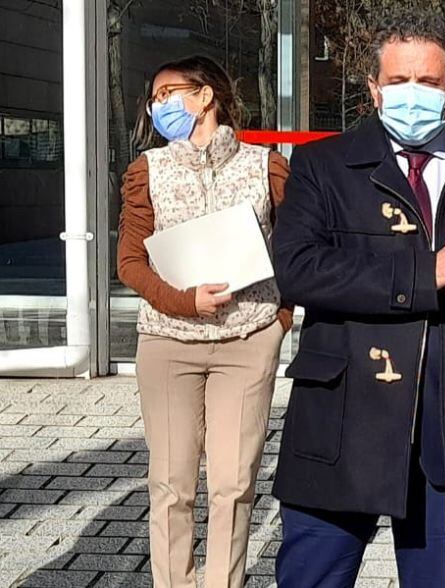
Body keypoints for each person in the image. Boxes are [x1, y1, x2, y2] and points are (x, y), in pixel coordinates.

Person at [270, 13, 445, 588]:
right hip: (343, 424)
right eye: (398, 81)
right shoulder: (322, 167)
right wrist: (422, 273)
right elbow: (297, 270)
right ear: (374, 88)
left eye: (428, 82)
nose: (412, 95)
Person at [118, 55, 291, 588]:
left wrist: (278, 322)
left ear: (206, 96)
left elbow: (296, 252)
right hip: (169, 344)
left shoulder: (266, 166)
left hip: (247, 341)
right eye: (155, 98)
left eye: (170, 92)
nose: (160, 104)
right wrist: (181, 301)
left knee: (233, 483)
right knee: (171, 484)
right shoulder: (148, 170)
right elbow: (129, 261)